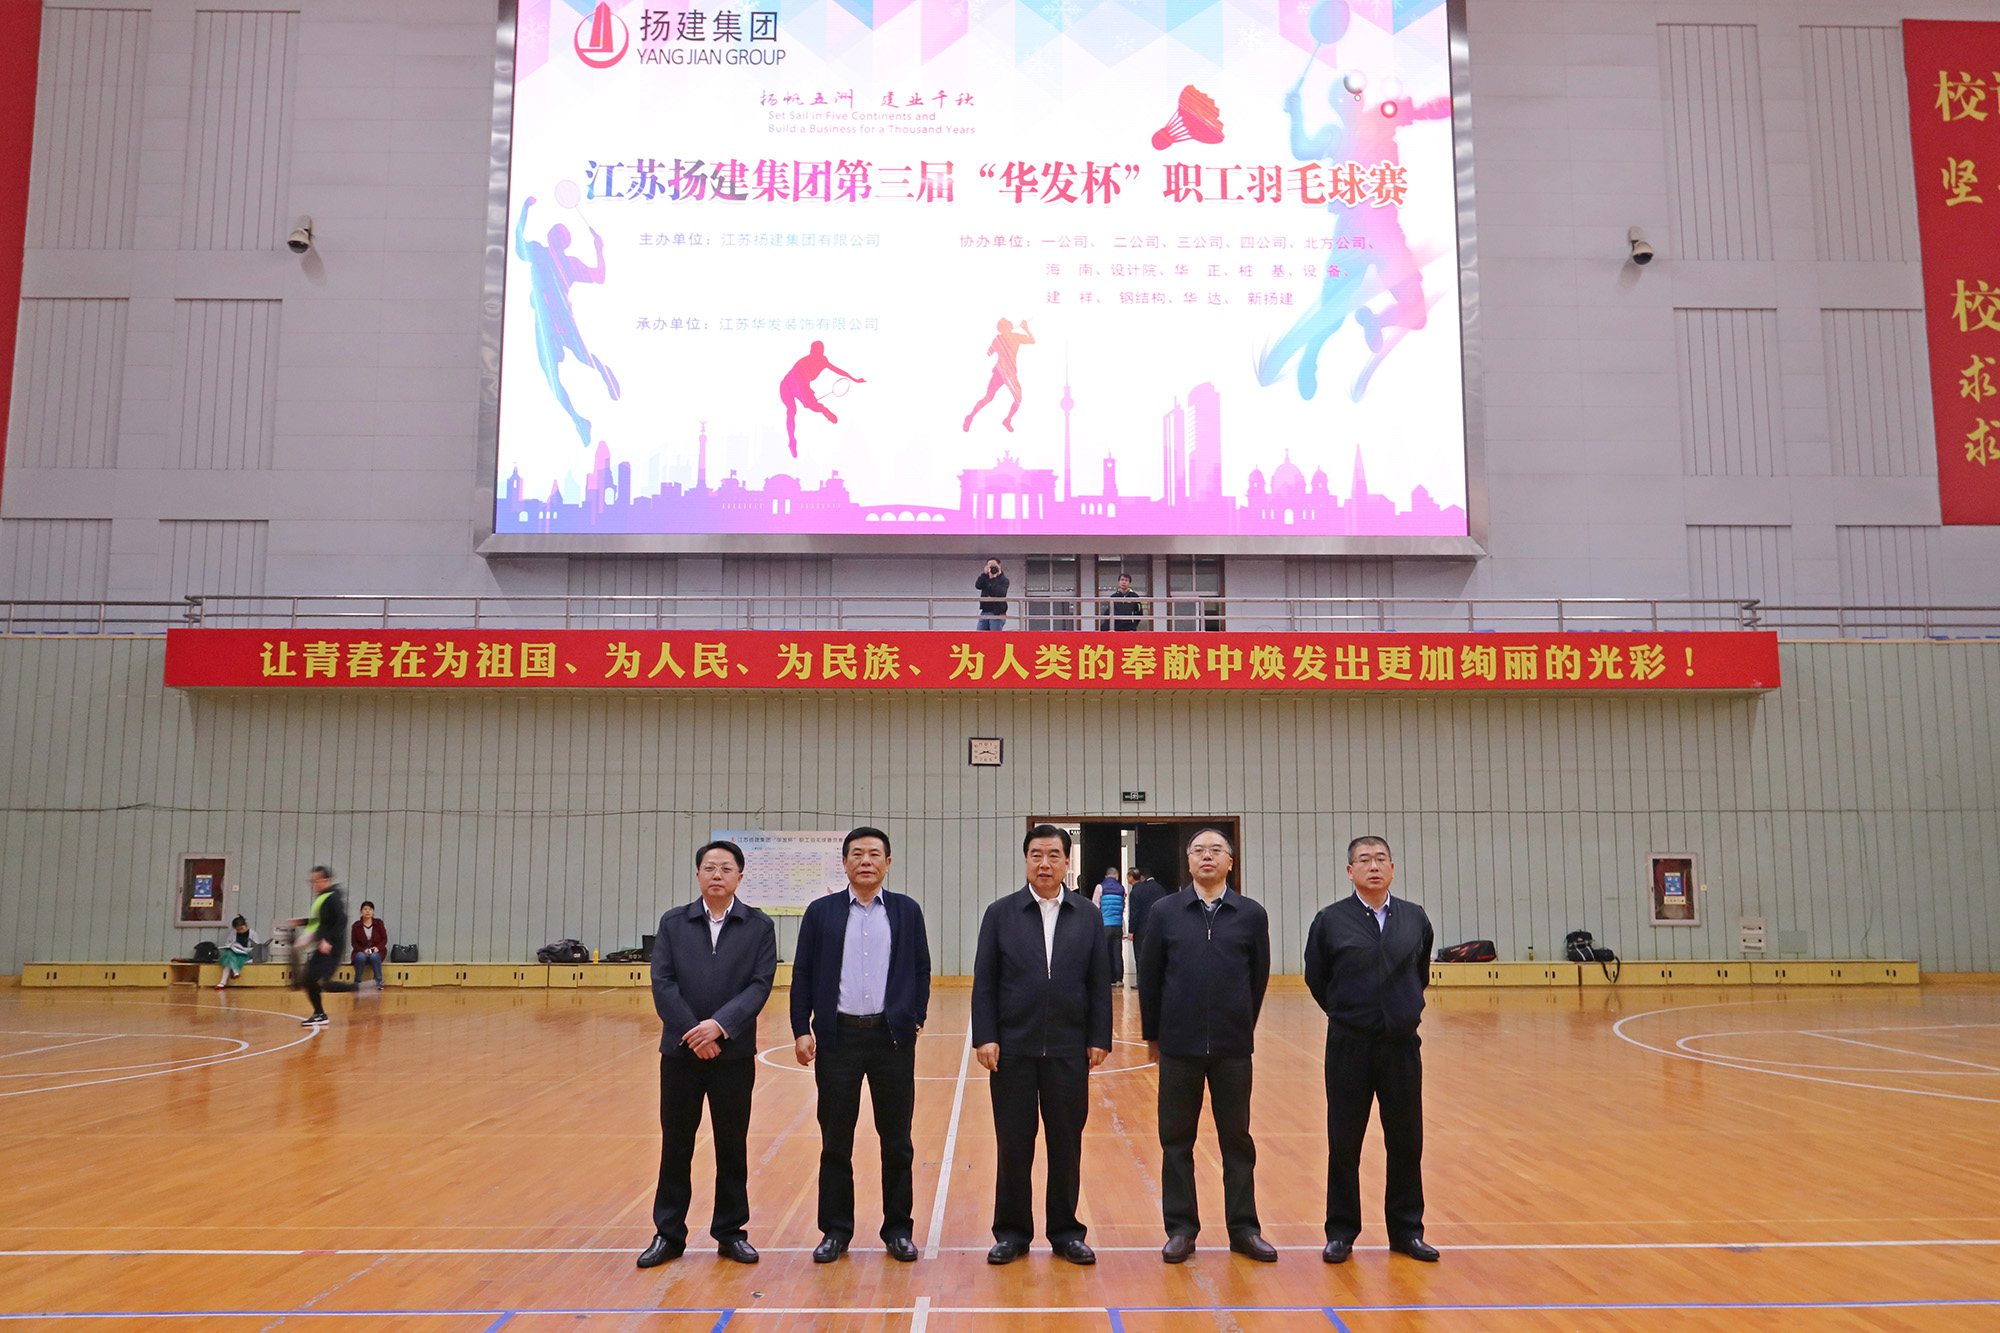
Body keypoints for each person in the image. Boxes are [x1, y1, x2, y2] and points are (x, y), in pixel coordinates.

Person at [971, 825, 1113, 1267]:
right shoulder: (1000, 913)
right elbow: (985, 981)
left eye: (1054, 855)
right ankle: (1011, 1233)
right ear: (1026, 860)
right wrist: (985, 1035)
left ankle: (1066, 1232)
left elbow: (1099, 982)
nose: (1045, 863)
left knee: (1066, 1144)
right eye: (1036, 855)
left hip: (1070, 1049)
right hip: (1012, 1049)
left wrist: (1099, 1037)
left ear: (1068, 862)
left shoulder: (1087, 915)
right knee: (1014, 1144)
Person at [791, 826, 932, 1264]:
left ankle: (898, 1230)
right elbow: (803, 972)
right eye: (857, 853)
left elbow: (921, 968)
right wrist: (801, 1028)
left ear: (888, 863)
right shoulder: (821, 912)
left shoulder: (906, 911)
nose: (865, 861)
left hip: (892, 1039)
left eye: (874, 854)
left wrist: (917, 1016)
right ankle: (835, 1231)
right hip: (838, 1039)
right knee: (836, 1139)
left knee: (897, 1140)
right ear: (845, 862)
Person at [638, 839, 778, 1269]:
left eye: (726, 868)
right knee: (676, 1146)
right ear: (698, 874)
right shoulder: (674, 923)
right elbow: (663, 982)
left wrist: (719, 1026)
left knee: (731, 1146)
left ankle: (731, 1233)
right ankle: (668, 1234)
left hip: (733, 1055)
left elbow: (760, 984)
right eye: (710, 867)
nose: (717, 875)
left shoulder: (758, 925)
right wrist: (694, 1034)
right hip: (680, 1055)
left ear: (740, 876)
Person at [1137, 829, 1274, 1263]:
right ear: (1189, 861)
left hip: (1233, 1049)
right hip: (1179, 1047)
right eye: (1199, 851)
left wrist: (1242, 1026)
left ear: (1230, 862)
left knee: (1237, 1141)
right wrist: (1154, 1035)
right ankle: (1181, 1229)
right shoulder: (1164, 912)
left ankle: (1244, 1229)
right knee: (1176, 1140)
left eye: (1216, 850)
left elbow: (1258, 978)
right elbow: (1150, 975)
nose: (1207, 856)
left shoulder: (1251, 914)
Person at [1304, 835, 1438, 1264]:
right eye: (1364, 860)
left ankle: (1407, 1231)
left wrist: (1400, 1010)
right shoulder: (1331, 920)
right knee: (1344, 1142)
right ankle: (1341, 1232)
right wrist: (1348, 1012)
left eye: (1381, 859)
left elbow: (1420, 972)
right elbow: (1316, 978)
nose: (1374, 866)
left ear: (1393, 868)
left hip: (1401, 1047)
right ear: (1350, 872)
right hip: (1349, 1045)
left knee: (1406, 1141)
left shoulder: (1414, 918)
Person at [514, 195, 620, 445]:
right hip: (551, 320)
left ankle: (598, 386)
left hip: (551, 321)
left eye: (556, 234)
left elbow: (519, 244)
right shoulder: (558, 259)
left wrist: (525, 209)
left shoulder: (540, 254)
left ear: (557, 240)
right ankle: (580, 418)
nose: (552, 236)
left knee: (560, 370)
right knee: (560, 371)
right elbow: (600, 275)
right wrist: (599, 248)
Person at [779, 340, 864, 457]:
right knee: (799, 409)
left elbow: (838, 371)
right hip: (790, 384)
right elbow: (799, 380)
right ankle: (793, 440)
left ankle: (792, 441)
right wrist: (854, 379)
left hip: (789, 384)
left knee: (792, 412)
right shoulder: (817, 361)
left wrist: (854, 379)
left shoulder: (817, 361)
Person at [295, 866, 357, 1027]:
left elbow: (341, 920)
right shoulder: (323, 898)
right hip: (324, 947)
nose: (313, 884)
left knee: (319, 981)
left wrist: (328, 940)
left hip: (331, 948)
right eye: (311, 881)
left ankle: (357, 989)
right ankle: (320, 1014)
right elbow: (322, 922)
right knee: (310, 979)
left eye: (316, 881)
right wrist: (302, 922)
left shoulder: (332, 897)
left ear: (326, 880)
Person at [963, 317, 1035, 432]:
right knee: (988, 398)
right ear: (1002, 328)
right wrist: (995, 345)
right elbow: (989, 352)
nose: (1007, 326)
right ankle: (970, 417)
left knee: (1018, 398)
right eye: (1004, 325)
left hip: (1010, 374)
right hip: (1000, 373)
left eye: (1007, 324)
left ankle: (1007, 420)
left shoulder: (1013, 337)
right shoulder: (1000, 339)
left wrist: (1026, 329)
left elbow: (1032, 340)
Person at [1125, 867, 1168, 966]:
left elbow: (1134, 913)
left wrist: (1131, 930)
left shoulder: (1136, 892)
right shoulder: (1160, 888)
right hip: (1158, 926)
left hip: (1141, 928)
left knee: (1141, 955)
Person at [1093, 867, 1126, 987]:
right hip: (1117, 925)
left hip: (1105, 925)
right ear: (1116, 876)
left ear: (1106, 876)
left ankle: (1105, 978)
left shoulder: (1100, 887)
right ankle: (1118, 979)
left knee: (1104, 952)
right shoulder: (1121, 888)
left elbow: (1095, 906)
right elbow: (1123, 906)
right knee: (1117, 952)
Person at [350, 901, 387, 988]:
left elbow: (384, 939)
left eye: (370, 909)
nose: (367, 911)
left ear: (373, 912)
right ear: (361, 912)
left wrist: (378, 948)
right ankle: (357, 981)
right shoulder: (356, 926)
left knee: (374, 956)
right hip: (361, 951)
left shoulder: (379, 923)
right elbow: (354, 943)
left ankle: (379, 981)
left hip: (376, 952)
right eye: (365, 909)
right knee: (360, 956)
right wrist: (363, 950)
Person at [216, 915, 258, 989]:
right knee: (229, 954)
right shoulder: (233, 933)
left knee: (229, 957)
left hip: (245, 955)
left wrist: (244, 949)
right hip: (234, 953)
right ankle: (234, 973)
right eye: (237, 930)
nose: (240, 931)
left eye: (241, 929)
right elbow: (227, 943)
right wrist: (231, 946)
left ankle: (223, 981)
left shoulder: (253, 934)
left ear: (246, 925)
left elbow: (257, 947)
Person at [975, 560, 1009, 632]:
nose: (992, 568)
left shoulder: (1004, 579)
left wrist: (993, 579)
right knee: (979, 635)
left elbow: (1000, 594)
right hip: (984, 611)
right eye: (989, 566)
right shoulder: (985, 577)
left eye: (994, 565)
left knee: (994, 636)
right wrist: (984, 574)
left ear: (999, 566)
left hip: (997, 612)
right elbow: (978, 586)